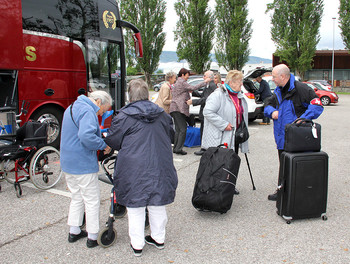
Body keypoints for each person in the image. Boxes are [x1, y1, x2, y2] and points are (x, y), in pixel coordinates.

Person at [104, 79, 178, 257]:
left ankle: (137, 244)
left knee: (135, 205)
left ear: (130, 96)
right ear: (146, 94)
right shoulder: (162, 114)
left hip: (133, 167)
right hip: (159, 163)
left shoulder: (123, 116)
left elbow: (113, 141)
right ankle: (158, 238)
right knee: (157, 202)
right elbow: (171, 135)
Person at [60, 91, 112, 248]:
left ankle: (74, 231)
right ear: (97, 101)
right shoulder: (88, 111)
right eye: (102, 110)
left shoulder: (72, 106)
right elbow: (86, 136)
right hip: (82, 163)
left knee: (76, 197)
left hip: (67, 161)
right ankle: (92, 236)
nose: (100, 113)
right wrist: (104, 145)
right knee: (91, 199)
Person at [264, 64, 324, 201]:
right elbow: (268, 104)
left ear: (283, 76)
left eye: (274, 76)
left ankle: (298, 193)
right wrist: (271, 111)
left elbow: (317, 105)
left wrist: (302, 119)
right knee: (284, 165)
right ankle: (282, 191)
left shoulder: (301, 89)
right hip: (281, 137)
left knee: (297, 165)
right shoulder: (278, 91)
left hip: (297, 137)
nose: (272, 79)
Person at [201, 70, 249, 194]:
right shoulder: (218, 95)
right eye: (239, 81)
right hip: (221, 137)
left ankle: (229, 185)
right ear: (231, 82)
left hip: (235, 135)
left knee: (231, 162)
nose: (241, 84)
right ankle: (215, 187)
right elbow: (207, 112)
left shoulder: (238, 95)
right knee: (219, 163)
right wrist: (223, 124)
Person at [169, 68, 209, 155]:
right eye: (187, 75)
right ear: (183, 75)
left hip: (174, 108)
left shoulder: (178, 82)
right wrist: (205, 82)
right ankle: (179, 149)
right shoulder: (182, 82)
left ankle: (176, 148)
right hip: (178, 109)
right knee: (183, 129)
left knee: (178, 129)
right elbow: (193, 87)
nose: (188, 78)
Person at [186, 70, 217, 155]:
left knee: (204, 131)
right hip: (205, 112)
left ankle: (204, 149)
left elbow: (206, 99)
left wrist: (193, 102)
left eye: (204, 76)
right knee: (203, 130)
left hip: (207, 112)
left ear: (209, 77)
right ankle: (204, 148)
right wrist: (194, 92)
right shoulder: (208, 85)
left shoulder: (211, 86)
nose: (203, 78)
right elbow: (203, 95)